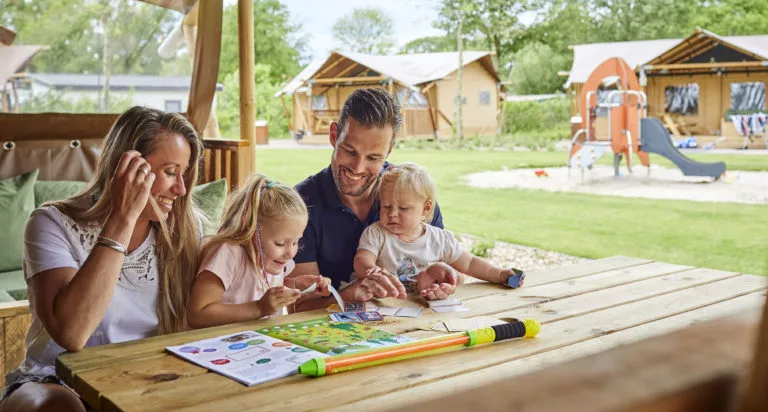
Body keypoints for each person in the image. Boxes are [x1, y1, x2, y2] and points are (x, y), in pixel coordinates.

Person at [0, 106, 203, 412]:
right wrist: (123, 218)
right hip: (55, 381)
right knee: (59, 409)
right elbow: (72, 333)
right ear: (128, 166)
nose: (181, 188)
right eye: (171, 172)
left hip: (144, 380)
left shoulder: (187, 229)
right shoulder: (51, 223)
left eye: (184, 173)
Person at [292, 88, 456, 305]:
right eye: (349, 151)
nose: (358, 168)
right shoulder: (300, 205)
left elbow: (443, 268)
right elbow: (299, 306)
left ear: (389, 150)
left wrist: (440, 284)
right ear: (334, 136)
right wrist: (349, 294)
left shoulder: (411, 194)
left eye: (373, 157)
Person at [354, 163, 523, 300]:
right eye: (386, 206)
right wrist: (371, 270)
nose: (392, 214)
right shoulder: (376, 233)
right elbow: (362, 258)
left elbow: (470, 263)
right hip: (384, 306)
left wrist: (499, 274)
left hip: (423, 307)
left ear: (426, 209)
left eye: (403, 208)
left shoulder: (439, 239)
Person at [187, 174, 330, 328]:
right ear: (251, 229)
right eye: (280, 243)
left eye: (296, 242)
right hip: (216, 346)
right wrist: (259, 308)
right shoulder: (227, 253)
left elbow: (266, 286)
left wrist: (299, 286)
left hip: (257, 345)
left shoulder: (273, 259)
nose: (291, 253)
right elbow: (197, 314)